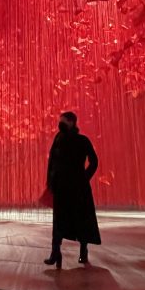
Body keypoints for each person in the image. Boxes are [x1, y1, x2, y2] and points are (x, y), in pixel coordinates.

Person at [44, 111, 101, 268]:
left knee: (81, 218)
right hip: (61, 187)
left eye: (63, 121)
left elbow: (94, 161)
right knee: (58, 220)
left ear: (72, 122)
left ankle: (83, 251)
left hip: (78, 188)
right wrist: (50, 181)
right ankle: (55, 253)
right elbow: (52, 162)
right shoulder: (58, 139)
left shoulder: (82, 141)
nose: (60, 123)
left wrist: (84, 177)